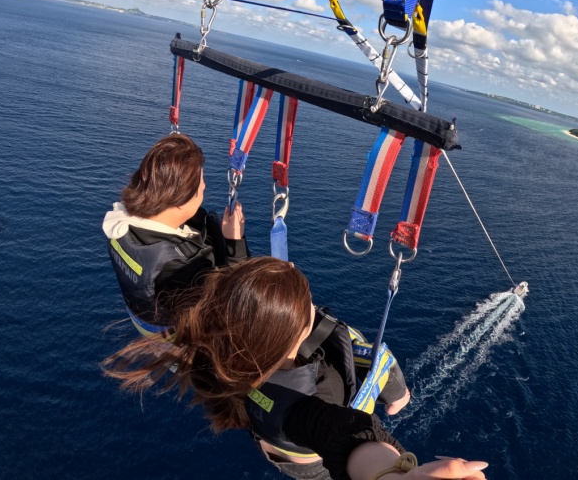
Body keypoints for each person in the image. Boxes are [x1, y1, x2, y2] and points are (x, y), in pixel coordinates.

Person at [103, 257, 488, 480]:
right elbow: (338, 433)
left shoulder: (230, 350)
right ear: (294, 334)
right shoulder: (304, 402)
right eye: (307, 302)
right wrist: (393, 475)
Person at [103, 134, 249, 332]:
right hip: (178, 336)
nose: (204, 186)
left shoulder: (118, 222)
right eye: (200, 186)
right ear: (180, 201)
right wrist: (235, 243)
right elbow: (235, 305)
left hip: (146, 311)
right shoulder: (181, 269)